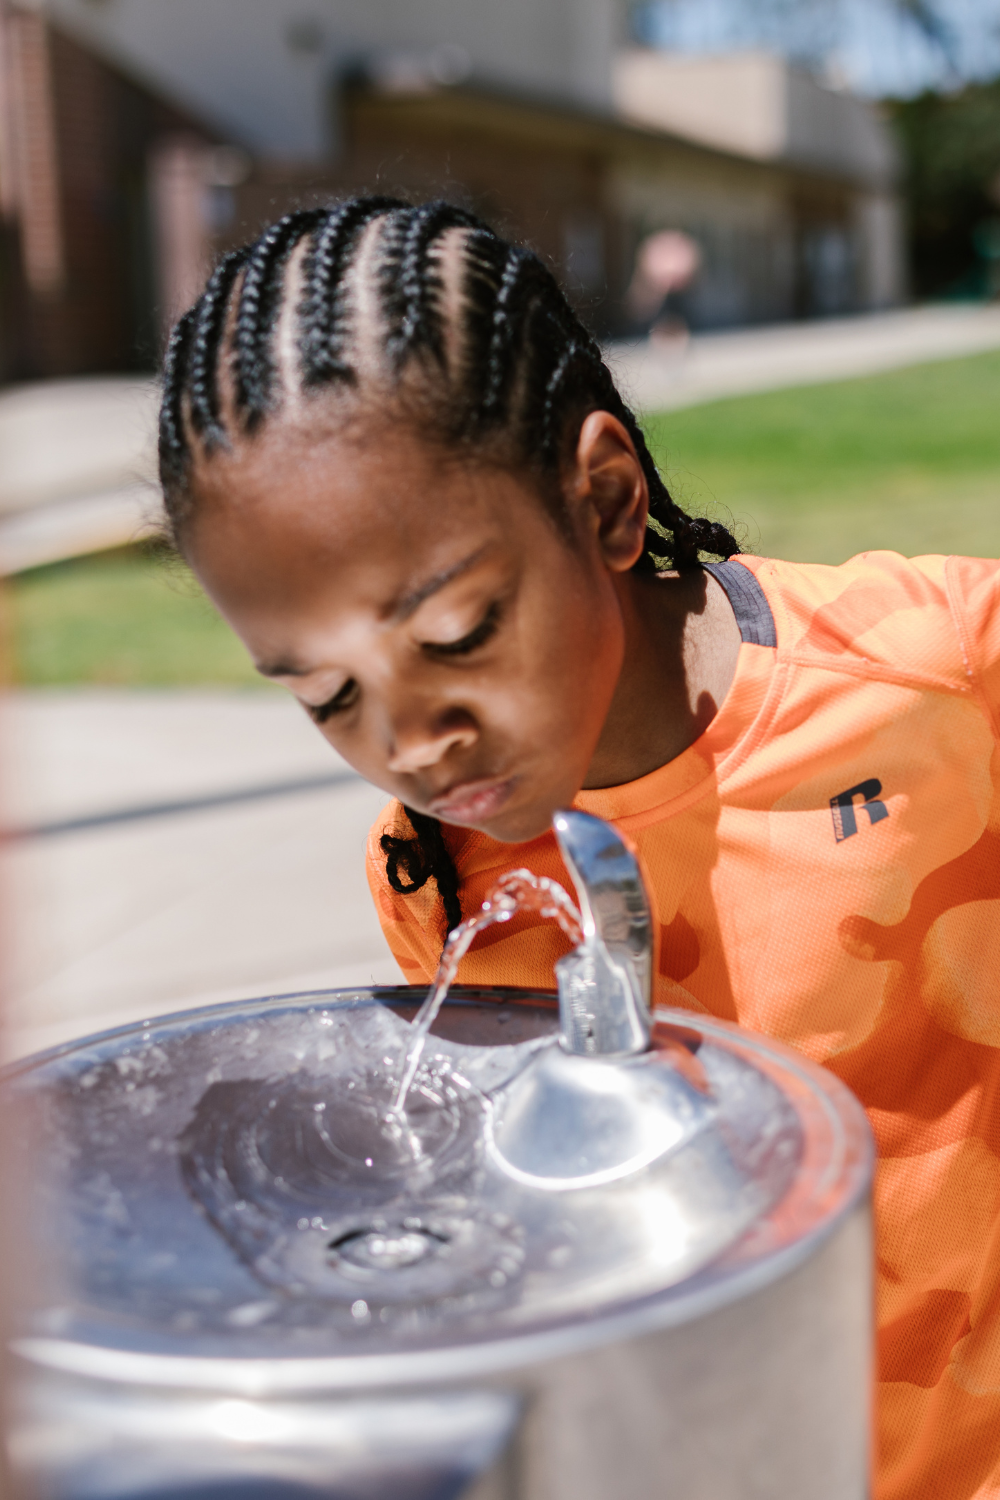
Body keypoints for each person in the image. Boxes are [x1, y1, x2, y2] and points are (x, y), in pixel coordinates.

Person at [158, 197, 1000, 1500]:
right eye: (327, 695)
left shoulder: (939, 669)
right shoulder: (435, 870)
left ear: (604, 500)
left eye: (457, 635)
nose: (413, 740)